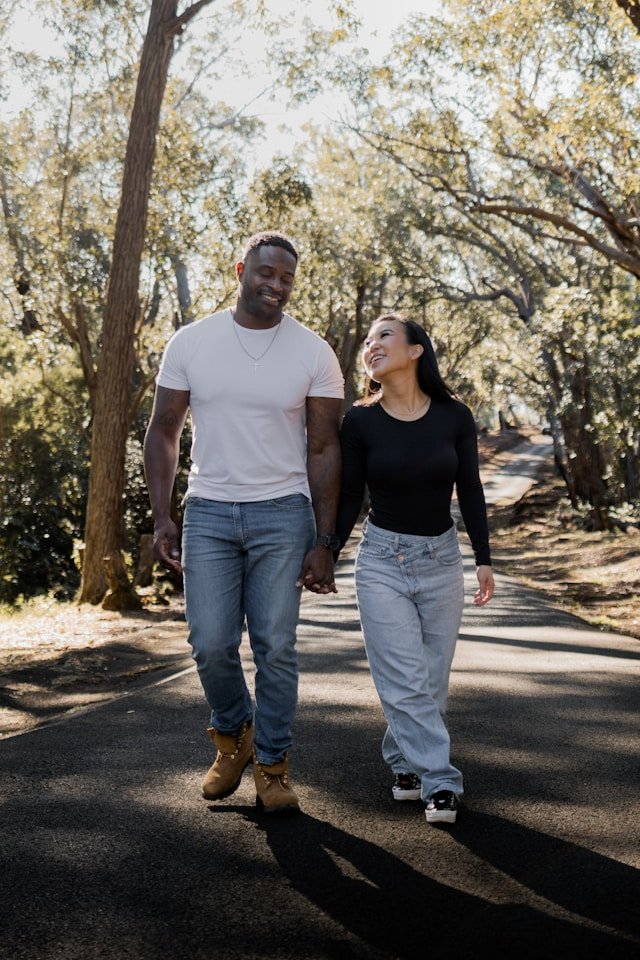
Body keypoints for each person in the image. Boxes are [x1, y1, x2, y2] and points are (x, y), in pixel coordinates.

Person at [143, 231, 344, 816]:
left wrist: (325, 540)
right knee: (208, 643)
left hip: (283, 513)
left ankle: (273, 765)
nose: (276, 285)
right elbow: (163, 430)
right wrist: (163, 515)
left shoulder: (313, 352)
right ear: (240, 269)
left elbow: (325, 449)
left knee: (275, 646)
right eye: (267, 273)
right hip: (207, 511)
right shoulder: (192, 342)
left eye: (287, 278)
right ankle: (234, 736)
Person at [335, 313, 494, 826]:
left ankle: (404, 763)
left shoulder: (454, 416)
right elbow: (350, 494)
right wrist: (327, 550)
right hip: (381, 560)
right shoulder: (359, 421)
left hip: (443, 558)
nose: (371, 345)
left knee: (430, 676)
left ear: (416, 350)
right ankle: (440, 781)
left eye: (383, 336)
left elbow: (469, 488)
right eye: (367, 340)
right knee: (403, 677)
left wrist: (484, 559)